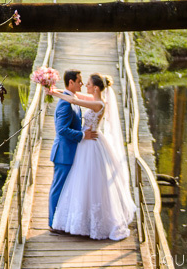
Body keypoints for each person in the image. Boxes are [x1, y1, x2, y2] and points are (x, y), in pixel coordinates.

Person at [48, 73, 137, 240]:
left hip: (90, 142)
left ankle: (90, 221)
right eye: (83, 82)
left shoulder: (98, 104)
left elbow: (74, 100)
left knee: (89, 180)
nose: (85, 86)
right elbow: (73, 95)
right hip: (86, 142)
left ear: (95, 87)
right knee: (82, 180)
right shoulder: (95, 99)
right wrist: (53, 89)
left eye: (87, 84)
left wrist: (53, 94)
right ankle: (76, 220)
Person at [47, 69, 97, 231]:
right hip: (63, 153)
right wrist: (83, 135)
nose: (81, 84)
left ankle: (61, 221)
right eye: (79, 81)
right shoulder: (65, 104)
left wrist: (55, 90)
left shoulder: (71, 98)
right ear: (71, 82)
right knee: (58, 188)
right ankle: (53, 223)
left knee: (65, 188)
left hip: (70, 152)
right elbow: (61, 129)